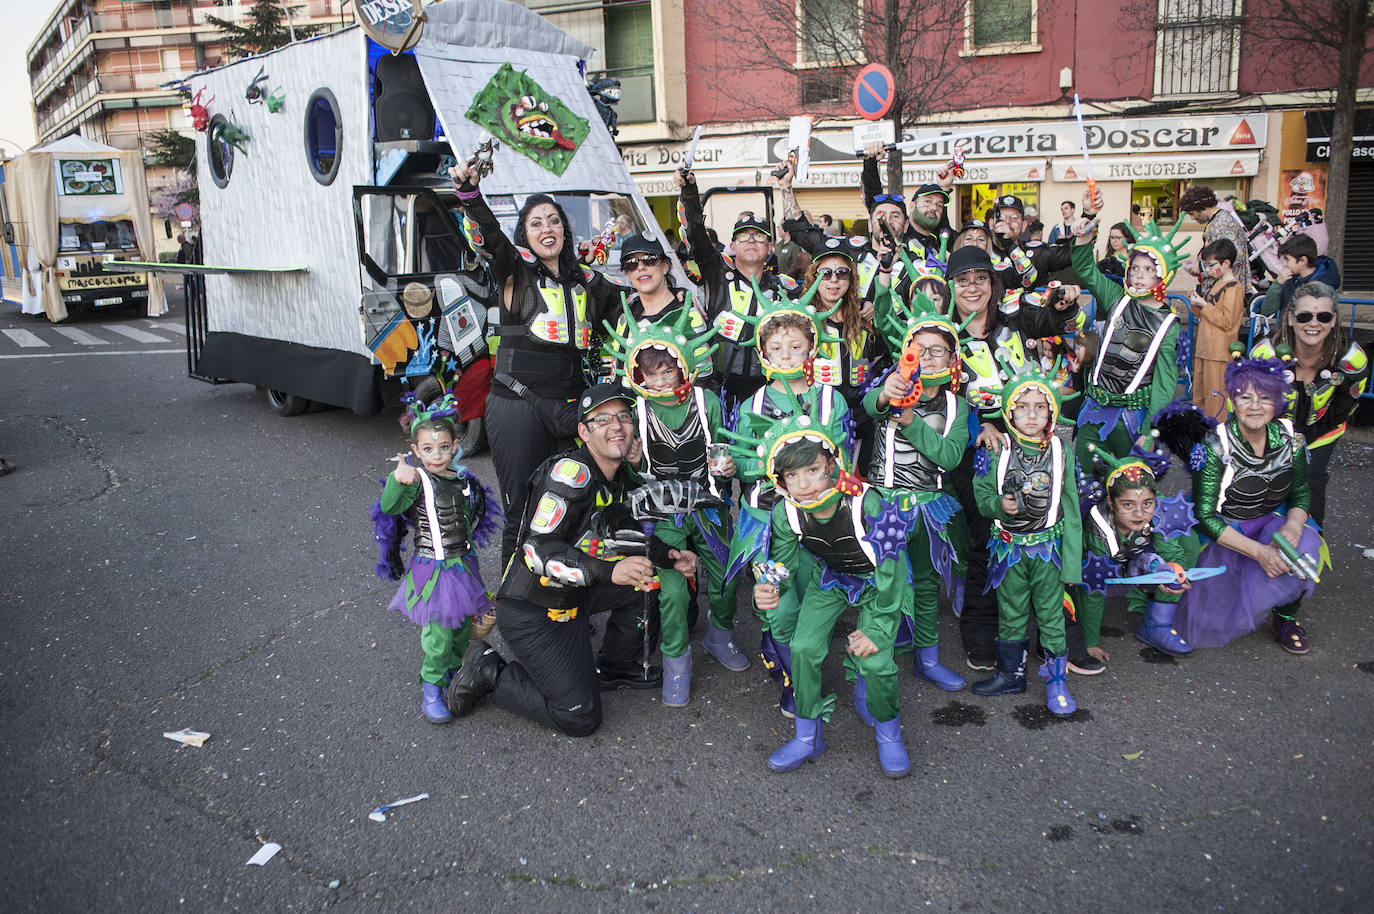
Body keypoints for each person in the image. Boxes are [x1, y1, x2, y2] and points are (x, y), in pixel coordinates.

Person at [445, 384, 699, 734]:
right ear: (583, 432)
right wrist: (610, 572)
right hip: (533, 610)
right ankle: (489, 670)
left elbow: (625, 529)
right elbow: (537, 551)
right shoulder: (570, 474)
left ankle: (616, 665)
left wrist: (670, 557)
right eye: (603, 419)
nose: (617, 425)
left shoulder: (618, 473)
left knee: (646, 580)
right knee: (579, 717)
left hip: (575, 595)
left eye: (624, 416)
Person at [448, 158, 624, 565]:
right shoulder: (515, 272)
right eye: (536, 223)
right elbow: (490, 239)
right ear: (525, 235)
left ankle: (566, 591)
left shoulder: (590, 283)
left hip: (570, 406)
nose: (548, 228)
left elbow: (632, 323)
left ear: (566, 228)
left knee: (574, 498)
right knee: (524, 509)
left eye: (554, 220)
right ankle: (516, 603)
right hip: (518, 405)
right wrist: (471, 196)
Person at [747, 403, 918, 777]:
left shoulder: (867, 503)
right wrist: (767, 588)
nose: (805, 484)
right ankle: (808, 735)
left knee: (875, 660)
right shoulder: (785, 512)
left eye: (813, 470)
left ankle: (889, 734)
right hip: (833, 577)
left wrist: (876, 629)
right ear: (779, 479)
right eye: (793, 474)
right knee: (804, 647)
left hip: (879, 584)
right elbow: (785, 566)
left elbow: (894, 569)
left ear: (832, 464)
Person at [936, 245, 1080, 671]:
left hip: (1037, 439)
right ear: (950, 287)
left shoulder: (1016, 318)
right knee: (989, 537)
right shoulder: (943, 336)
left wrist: (1062, 305)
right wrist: (977, 423)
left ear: (993, 283)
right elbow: (936, 396)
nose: (972, 287)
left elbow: (1053, 319)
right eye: (962, 280)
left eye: (980, 277)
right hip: (979, 448)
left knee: (1050, 532)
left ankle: (1057, 637)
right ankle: (982, 631)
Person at [599, 305, 746, 706]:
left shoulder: (708, 401)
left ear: (683, 368)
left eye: (669, 372)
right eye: (653, 374)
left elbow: (723, 451)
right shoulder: (635, 414)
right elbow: (629, 479)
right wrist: (630, 465)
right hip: (662, 511)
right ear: (638, 375)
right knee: (673, 592)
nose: (662, 381)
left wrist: (729, 467)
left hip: (709, 505)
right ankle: (677, 662)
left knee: (727, 577)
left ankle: (720, 635)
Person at [726, 281, 852, 717]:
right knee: (777, 606)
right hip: (767, 527)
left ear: (810, 349)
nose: (785, 355)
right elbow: (743, 465)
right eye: (776, 347)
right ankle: (791, 679)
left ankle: (803, 665)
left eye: (794, 346)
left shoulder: (830, 400)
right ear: (763, 352)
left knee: (812, 597)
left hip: (819, 525)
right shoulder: (753, 402)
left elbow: (845, 462)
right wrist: (737, 466)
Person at [1163, 358, 1326, 653]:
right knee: (1211, 616)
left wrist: (1292, 525)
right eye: (1245, 397)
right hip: (1222, 528)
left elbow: (1301, 491)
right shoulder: (1215, 446)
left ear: (1277, 403)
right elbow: (1204, 516)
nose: (1255, 406)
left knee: (1306, 545)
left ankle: (1285, 618)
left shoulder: (1292, 439)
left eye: (1265, 398)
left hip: (1270, 518)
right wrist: (1260, 553)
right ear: (1233, 400)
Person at [372, 385, 500, 724]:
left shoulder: (463, 481)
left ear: (455, 446)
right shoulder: (415, 480)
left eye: (444, 447)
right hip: (433, 570)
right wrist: (397, 480)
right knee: (439, 635)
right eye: (428, 448)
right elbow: (388, 507)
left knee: (461, 631)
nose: (437, 454)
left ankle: (454, 678)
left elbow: (471, 521)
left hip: (463, 566)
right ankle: (431, 687)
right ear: (415, 449)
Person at [864, 289, 969, 691]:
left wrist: (911, 422)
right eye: (918, 348)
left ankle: (928, 658)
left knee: (925, 583)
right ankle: (878, 655)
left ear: (952, 359)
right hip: (884, 503)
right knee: (882, 582)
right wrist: (885, 395)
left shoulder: (959, 408)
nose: (926, 356)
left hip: (930, 506)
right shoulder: (889, 387)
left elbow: (950, 457)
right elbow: (869, 407)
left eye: (937, 350)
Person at [972, 367, 1083, 717]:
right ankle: (1010, 674)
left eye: (1040, 407)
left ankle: (1057, 682)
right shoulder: (996, 448)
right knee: (1012, 610)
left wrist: (1072, 563)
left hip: (1048, 550)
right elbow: (982, 493)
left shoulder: (1063, 451)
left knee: (1051, 615)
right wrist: (997, 505)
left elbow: (1072, 508)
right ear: (1008, 411)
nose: (1032, 414)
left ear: (1052, 411)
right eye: (1023, 407)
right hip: (1009, 550)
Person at [1071, 189, 1186, 466]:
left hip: (1132, 416)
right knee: (1083, 478)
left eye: (1149, 269)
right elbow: (1086, 270)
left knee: (1131, 485)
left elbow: (1164, 383)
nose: (1139, 274)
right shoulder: (1116, 298)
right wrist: (1086, 221)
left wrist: (1149, 430)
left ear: (1163, 275)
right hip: (1095, 408)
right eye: (1135, 268)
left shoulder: (1169, 324)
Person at [1072, 441, 1201, 671]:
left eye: (1147, 503)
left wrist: (1173, 572)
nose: (1140, 513)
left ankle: (1157, 621)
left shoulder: (1158, 511)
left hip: (1137, 556)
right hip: (1093, 567)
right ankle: (1078, 625)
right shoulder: (1097, 527)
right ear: (1111, 502)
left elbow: (1172, 551)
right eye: (1128, 504)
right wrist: (1090, 642)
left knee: (1188, 539)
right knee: (1091, 580)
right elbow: (1092, 585)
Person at [676, 167, 798, 409]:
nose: (751, 240)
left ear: (770, 247)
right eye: (743, 236)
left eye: (759, 237)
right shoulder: (717, 273)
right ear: (732, 245)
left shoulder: (785, 288)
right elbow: (696, 235)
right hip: (717, 387)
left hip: (769, 389)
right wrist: (689, 191)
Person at [1251, 281, 1370, 527]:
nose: (1314, 323)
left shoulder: (1351, 359)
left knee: (1311, 477)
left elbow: (1343, 407)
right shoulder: (1266, 355)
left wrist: (1308, 436)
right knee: (1265, 479)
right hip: (1270, 428)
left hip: (1323, 429)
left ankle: (1310, 545)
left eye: (1323, 316)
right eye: (1305, 316)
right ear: (1292, 319)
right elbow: (1252, 402)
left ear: (1334, 320)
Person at [605, 232, 715, 389]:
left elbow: (703, 377)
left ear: (665, 266)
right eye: (631, 264)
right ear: (627, 274)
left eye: (650, 260)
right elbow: (619, 378)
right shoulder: (625, 317)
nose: (641, 267)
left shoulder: (687, 313)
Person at [1189, 239, 1246, 420]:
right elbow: (1206, 313)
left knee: (1216, 402)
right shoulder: (1218, 283)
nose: (1208, 269)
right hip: (1205, 349)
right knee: (1199, 398)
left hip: (1219, 352)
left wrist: (1203, 305)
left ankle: (1217, 439)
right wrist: (1196, 304)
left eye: (1211, 265)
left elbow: (1227, 321)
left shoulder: (1234, 287)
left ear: (1226, 263)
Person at [989, 195, 1073, 291]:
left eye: (1014, 218)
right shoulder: (982, 253)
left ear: (1024, 225)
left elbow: (1073, 254)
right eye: (1002, 217)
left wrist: (1088, 216)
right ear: (991, 223)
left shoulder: (1038, 253)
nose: (1007, 222)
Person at [1180, 185, 1251, 296]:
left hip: (1225, 291)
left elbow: (1235, 255)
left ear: (1201, 207)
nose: (1192, 218)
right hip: (1222, 288)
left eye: (1192, 213)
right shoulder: (1218, 220)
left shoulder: (1222, 224)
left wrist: (1201, 267)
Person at [1257, 234, 1341, 318]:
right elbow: (1266, 311)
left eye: (1287, 259)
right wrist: (1278, 283)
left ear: (1302, 261)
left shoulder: (1324, 286)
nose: (1284, 264)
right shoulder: (1290, 279)